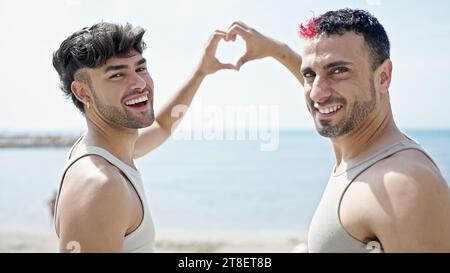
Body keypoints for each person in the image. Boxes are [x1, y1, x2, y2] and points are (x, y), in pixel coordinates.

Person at [224, 9, 450, 252]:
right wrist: (276, 50)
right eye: (309, 74)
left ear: (383, 77)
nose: (316, 92)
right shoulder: (354, 147)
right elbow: (330, 97)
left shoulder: (403, 185)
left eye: (339, 71)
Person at [52, 22, 236, 252]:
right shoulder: (101, 186)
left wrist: (201, 71)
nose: (139, 84)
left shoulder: (108, 150)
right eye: (117, 74)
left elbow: (163, 125)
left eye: (140, 69)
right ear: (82, 92)